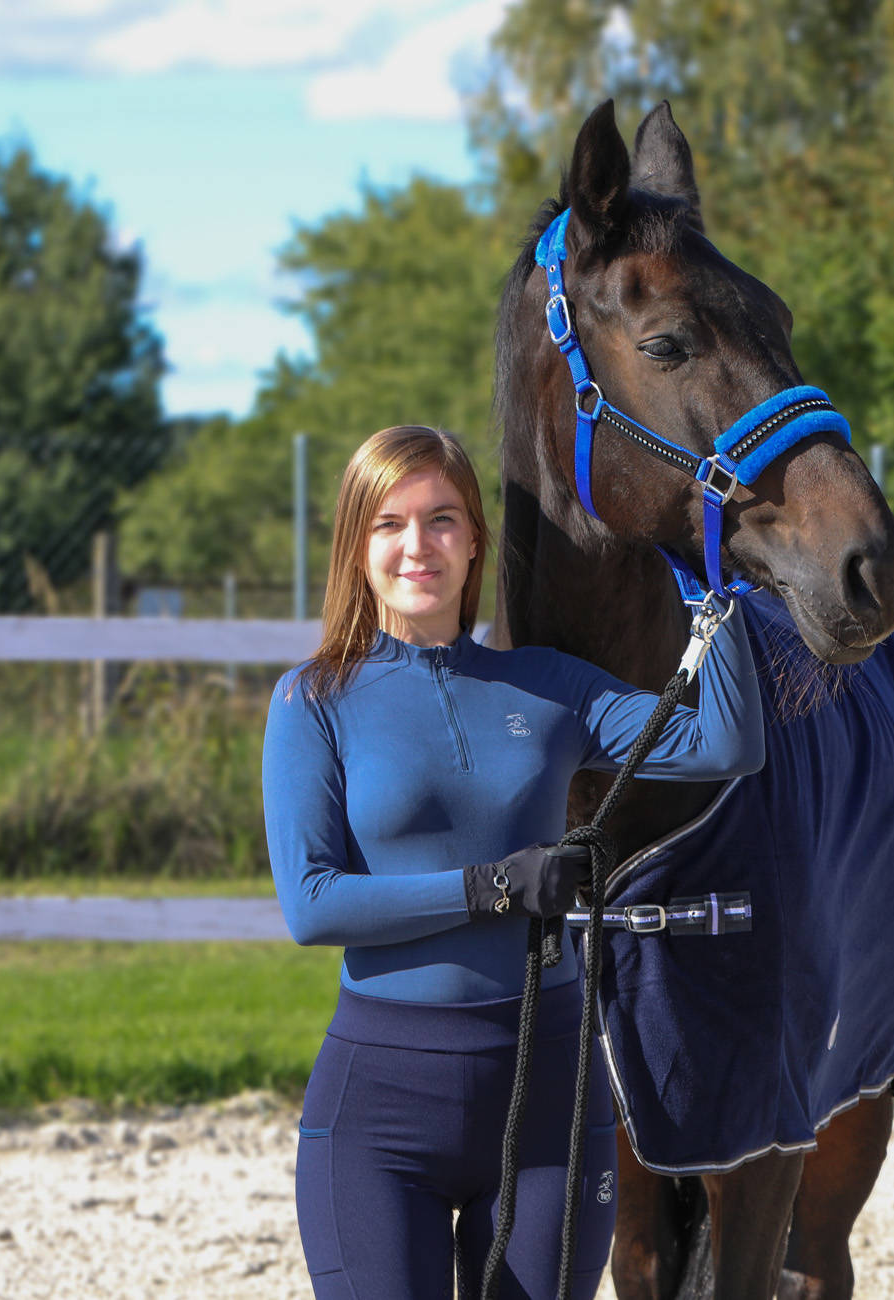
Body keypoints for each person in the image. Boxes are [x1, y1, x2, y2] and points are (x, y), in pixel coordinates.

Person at [262, 424, 765, 1299]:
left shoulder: (549, 685)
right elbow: (313, 906)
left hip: (549, 1104)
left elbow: (726, 743)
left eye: (441, 519)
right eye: (389, 524)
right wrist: (492, 889)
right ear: (356, 548)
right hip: (382, 1115)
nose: (417, 545)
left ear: (475, 541)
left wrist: (712, 591)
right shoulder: (315, 701)